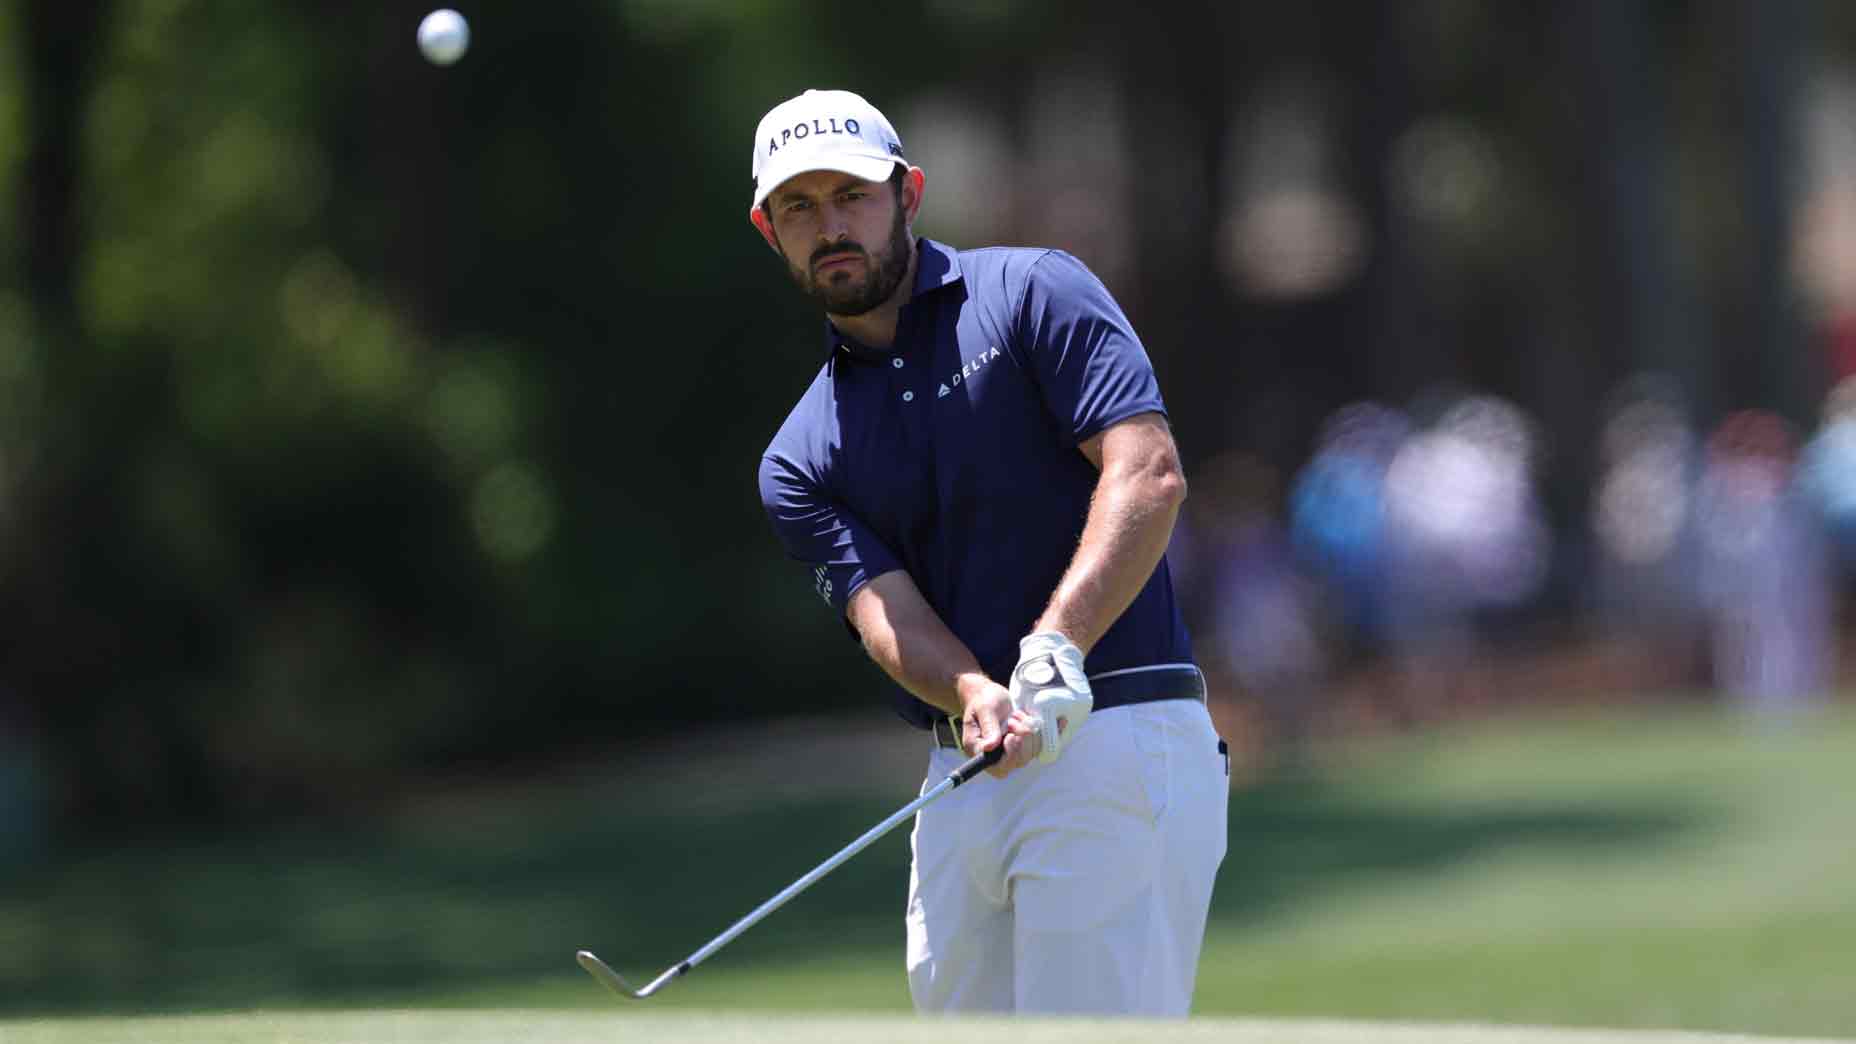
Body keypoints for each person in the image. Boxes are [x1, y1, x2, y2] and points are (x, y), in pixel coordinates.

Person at [749, 88, 1227, 1016]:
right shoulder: (799, 455)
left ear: (909, 193)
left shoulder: (1033, 292)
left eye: (850, 193)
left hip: (1116, 735)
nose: (830, 226)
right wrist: (973, 691)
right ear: (771, 231)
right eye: (800, 207)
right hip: (961, 772)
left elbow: (1148, 472)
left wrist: (1059, 644)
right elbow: (884, 610)